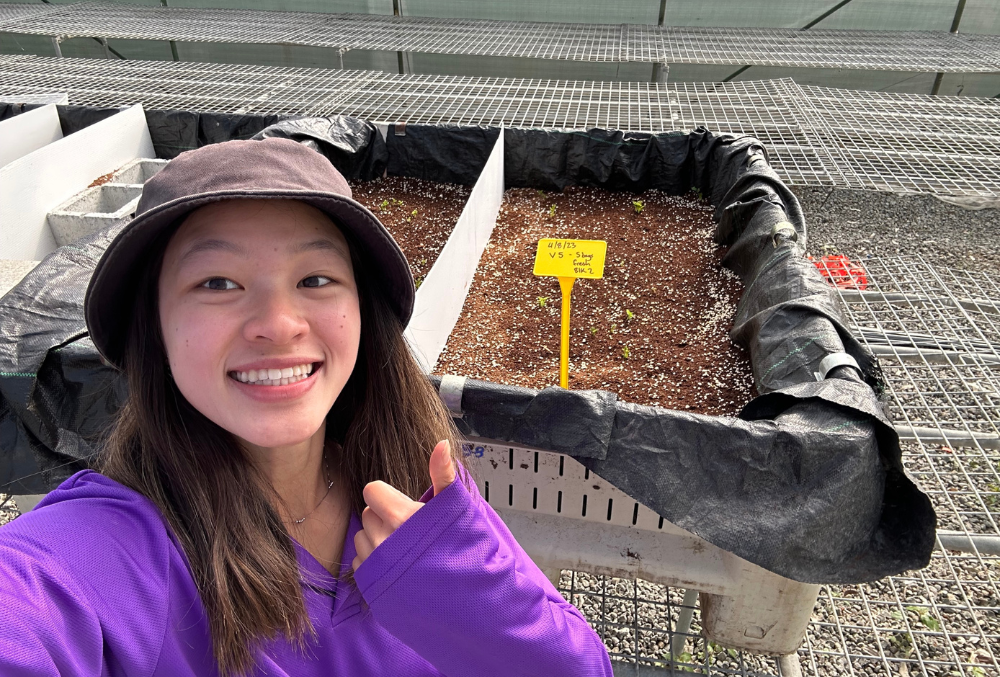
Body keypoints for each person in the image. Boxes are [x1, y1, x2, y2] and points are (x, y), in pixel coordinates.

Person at [0, 138, 614, 676]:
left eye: (315, 278)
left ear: (362, 312)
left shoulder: (420, 491)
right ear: (153, 328)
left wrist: (468, 594)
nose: (278, 324)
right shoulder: (109, 552)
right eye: (216, 283)